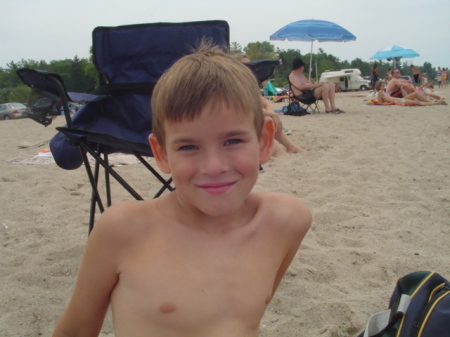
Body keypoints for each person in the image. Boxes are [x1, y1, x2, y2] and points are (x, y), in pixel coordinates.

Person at [52, 44, 312, 337]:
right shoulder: (123, 230)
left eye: (232, 141)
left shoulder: (286, 221)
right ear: (161, 153)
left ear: (265, 142)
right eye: (188, 146)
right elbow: (73, 331)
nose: (214, 167)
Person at [235, 53, 305, 156]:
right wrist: (271, 115)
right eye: (245, 66)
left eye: (250, 65)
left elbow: (266, 105)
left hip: (247, 119)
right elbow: (247, 110)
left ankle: (291, 147)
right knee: (263, 120)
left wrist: (272, 115)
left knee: (268, 119)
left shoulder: (248, 85)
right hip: (236, 124)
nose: (249, 69)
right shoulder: (233, 86)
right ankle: (278, 152)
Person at [375, 80, 443, 106]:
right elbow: (379, 102)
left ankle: (430, 102)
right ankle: (434, 103)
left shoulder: (384, 92)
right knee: (416, 102)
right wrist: (389, 103)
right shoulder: (380, 93)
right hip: (396, 101)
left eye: (383, 84)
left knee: (416, 94)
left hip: (397, 99)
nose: (383, 85)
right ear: (378, 86)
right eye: (381, 85)